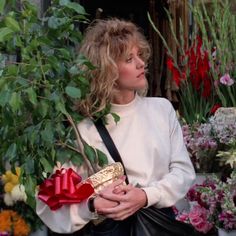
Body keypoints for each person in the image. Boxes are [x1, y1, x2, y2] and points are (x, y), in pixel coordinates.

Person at [36, 18, 196, 235]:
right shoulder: (83, 128)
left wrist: (146, 196)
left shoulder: (162, 109)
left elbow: (183, 172)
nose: (141, 63)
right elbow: (51, 202)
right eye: (129, 59)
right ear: (107, 70)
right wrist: (92, 206)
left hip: (157, 225)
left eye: (140, 55)